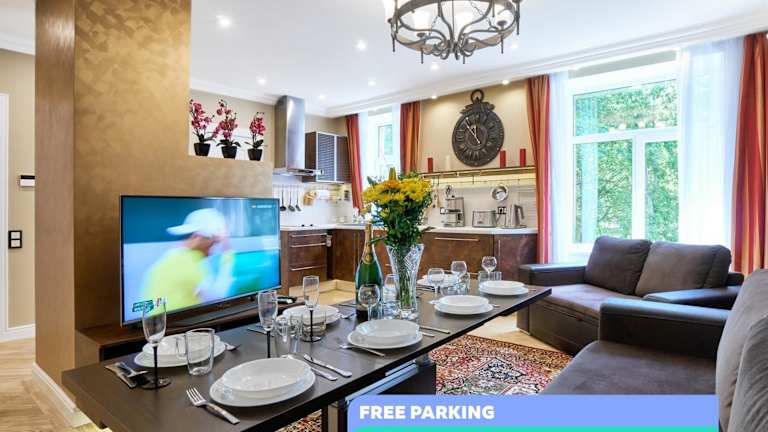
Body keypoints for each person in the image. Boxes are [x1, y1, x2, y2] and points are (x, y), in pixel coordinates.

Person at [142, 208, 235, 313]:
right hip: (179, 322)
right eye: (213, 243)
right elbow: (219, 296)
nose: (212, 250)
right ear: (198, 238)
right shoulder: (188, 262)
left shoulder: (172, 257)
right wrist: (227, 254)